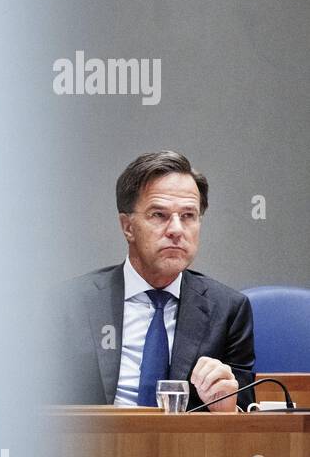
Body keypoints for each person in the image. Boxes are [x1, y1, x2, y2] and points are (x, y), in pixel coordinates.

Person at [54, 150, 256, 411]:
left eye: (188, 216)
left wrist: (227, 406)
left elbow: (245, 413)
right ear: (128, 227)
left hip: (189, 449)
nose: (176, 230)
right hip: (98, 447)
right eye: (159, 215)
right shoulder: (70, 304)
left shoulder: (228, 310)